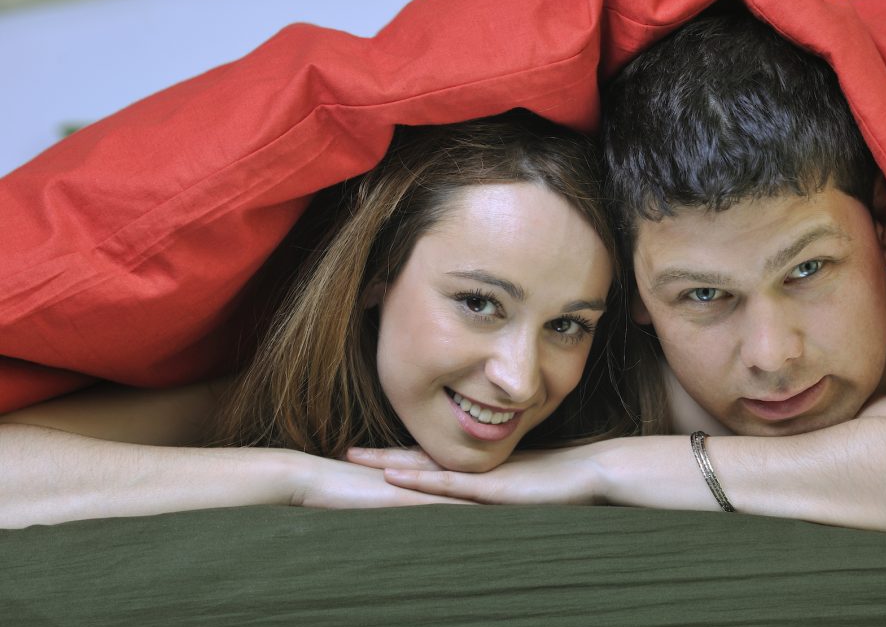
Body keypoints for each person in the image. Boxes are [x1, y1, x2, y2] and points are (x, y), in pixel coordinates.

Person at [367, 9, 886, 538]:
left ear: (884, 223)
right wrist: (311, 482)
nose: (772, 356)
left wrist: (597, 470)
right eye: (705, 294)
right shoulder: (592, 370)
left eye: (807, 269)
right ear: (635, 293)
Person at [0, 110, 643, 529]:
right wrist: (298, 478)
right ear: (375, 284)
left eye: (567, 325)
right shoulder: (268, 393)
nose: (521, 381)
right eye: (479, 304)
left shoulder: (625, 393)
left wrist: (596, 468)